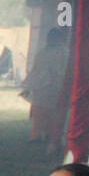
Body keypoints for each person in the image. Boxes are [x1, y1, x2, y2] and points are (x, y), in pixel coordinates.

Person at [20, 27, 70, 158]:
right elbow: (37, 69)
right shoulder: (49, 52)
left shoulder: (58, 52)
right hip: (48, 88)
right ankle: (42, 137)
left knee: (49, 114)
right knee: (46, 114)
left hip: (50, 88)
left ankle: (47, 136)